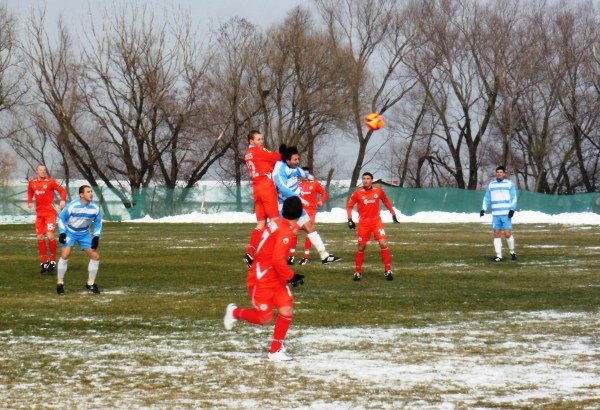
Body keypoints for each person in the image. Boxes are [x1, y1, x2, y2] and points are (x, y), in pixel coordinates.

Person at [223, 196, 306, 362]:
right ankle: (234, 312)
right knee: (265, 319)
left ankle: (275, 350)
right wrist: (292, 276)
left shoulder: (278, 223)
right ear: (299, 214)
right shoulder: (285, 232)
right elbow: (276, 260)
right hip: (262, 279)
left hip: (276, 278)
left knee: (286, 310)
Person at [273, 145, 340, 264]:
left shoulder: (294, 166)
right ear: (287, 160)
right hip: (285, 205)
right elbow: (282, 188)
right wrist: (299, 198)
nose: (297, 162)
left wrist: (308, 176)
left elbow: (300, 171)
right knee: (285, 233)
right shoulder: (280, 170)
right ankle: (278, 258)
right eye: (295, 160)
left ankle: (324, 255)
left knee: (310, 227)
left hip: (295, 204)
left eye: (298, 159)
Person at [346, 172, 399, 281]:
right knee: (361, 247)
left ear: (372, 180)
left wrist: (393, 214)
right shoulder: (358, 192)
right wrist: (350, 219)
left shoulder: (378, 190)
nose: (366, 180)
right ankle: (358, 272)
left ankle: (388, 270)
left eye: (368, 178)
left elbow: (386, 201)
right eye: (364, 178)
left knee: (383, 243)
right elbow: (349, 206)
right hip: (364, 224)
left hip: (376, 222)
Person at [243, 130, 282, 267]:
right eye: (258, 139)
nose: (261, 141)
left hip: (257, 189)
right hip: (266, 188)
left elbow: (266, 163)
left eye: (262, 139)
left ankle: (250, 253)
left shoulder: (248, 154)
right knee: (275, 222)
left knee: (261, 224)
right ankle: (273, 254)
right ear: (251, 141)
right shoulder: (260, 151)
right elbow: (278, 157)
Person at [56, 185, 103, 295]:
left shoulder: (95, 208)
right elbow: (61, 219)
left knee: (96, 257)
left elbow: (98, 222)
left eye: (91, 191)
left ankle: (90, 283)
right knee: (65, 255)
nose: (91, 193)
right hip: (70, 232)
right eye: (88, 192)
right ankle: (60, 283)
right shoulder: (73, 205)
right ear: (81, 195)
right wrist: (62, 232)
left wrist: (96, 236)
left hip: (84, 234)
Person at [27, 164, 68, 274]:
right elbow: (30, 191)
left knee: (50, 235)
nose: (43, 171)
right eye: (40, 170)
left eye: (44, 170)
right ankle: (44, 262)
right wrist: (30, 201)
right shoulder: (32, 182)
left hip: (50, 213)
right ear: (37, 171)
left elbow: (63, 191)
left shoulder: (51, 182)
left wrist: (63, 200)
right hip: (40, 214)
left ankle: (53, 260)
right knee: (40, 237)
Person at [287, 167, 328, 266]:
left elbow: (324, 193)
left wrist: (321, 201)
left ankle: (305, 257)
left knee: (309, 234)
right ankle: (291, 256)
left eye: (306, 173)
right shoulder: (298, 184)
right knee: (293, 232)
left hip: (310, 212)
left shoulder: (315, 183)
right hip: (299, 212)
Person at [480, 166, 517, 262]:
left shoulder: (509, 184)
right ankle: (499, 256)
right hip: (495, 214)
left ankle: (512, 252)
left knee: (508, 234)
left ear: (504, 173)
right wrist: (483, 209)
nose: (499, 173)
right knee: (496, 234)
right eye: (497, 172)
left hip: (506, 213)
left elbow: (514, 197)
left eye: (501, 172)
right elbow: (487, 198)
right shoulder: (491, 185)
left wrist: (512, 209)